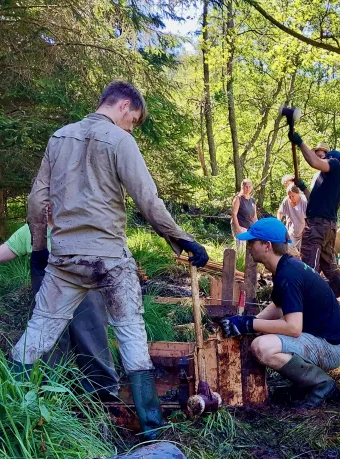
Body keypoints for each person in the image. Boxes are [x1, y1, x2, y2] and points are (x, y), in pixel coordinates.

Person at [12, 80, 209, 439]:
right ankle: (151, 431)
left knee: (37, 333)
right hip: (108, 259)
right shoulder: (120, 141)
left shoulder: (59, 138)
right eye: (133, 119)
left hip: (65, 257)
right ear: (122, 107)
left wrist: (39, 252)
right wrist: (183, 240)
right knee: (132, 334)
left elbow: (35, 202)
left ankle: (10, 415)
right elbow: (148, 201)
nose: (131, 126)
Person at [0, 216, 120, 400]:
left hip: (87, 303)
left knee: (93, 344)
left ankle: (106, 402)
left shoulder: (85, 226)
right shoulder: (33, 231)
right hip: (48, 308)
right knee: (47, 355)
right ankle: (49, 403)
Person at [219, 218, 340, 408]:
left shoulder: (288, 274)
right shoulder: (285, 267)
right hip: (326, 340)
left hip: (332, 347)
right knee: (265, 333)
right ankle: (304, 383)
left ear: (267, 245)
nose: (248, 246)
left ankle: (322, 384)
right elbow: (279, 306)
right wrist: (245, 322)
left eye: (251, 242)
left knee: (262, 347)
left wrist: (248, 324)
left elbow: (293, 327)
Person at [289, 129, 340, 308]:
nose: (325, 161)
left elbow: (314, 161)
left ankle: (306, 308)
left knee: (309, 265)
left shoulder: (334, 166)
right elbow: (314, 201)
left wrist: (300, 142)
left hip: (317, 225)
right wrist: (303, 187)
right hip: (328, 227)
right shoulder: (339, 182)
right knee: (329, 267)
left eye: (327, 158)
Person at [231, 179, 258, 252]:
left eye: (249, 186)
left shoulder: (253, 200)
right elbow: (234, 214)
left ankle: (248, 263)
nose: (248, 188)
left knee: (252, 248)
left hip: (250, 226)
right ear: (242, 187)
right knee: (240, 249)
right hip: (240, 225)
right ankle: (238, 263)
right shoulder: (238, 198)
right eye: (246, 186)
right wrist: (238, 228)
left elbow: (254, 216)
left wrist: (257, 228)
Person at [277, 184, 307, 249]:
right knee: (288, 249)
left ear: (298, 193)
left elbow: (310, 219)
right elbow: (280, 212)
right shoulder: (286, 201)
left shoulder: (304, 201)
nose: (291, 198)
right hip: (292, 232)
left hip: (303, 232)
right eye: (289, 196)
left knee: (302, 253)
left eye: (293, 196)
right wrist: (279, 224)